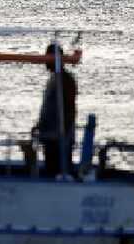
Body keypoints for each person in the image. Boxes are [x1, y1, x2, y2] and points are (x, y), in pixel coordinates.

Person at [36, 43, 77, 176]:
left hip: (59, 136)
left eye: (48, 58)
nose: (45, 62)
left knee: (58, 169)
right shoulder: (53, 79)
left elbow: (70, 108)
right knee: (50, 168)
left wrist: (64, 131)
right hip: (49, 134)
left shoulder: (66, 80)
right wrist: (39, 125)